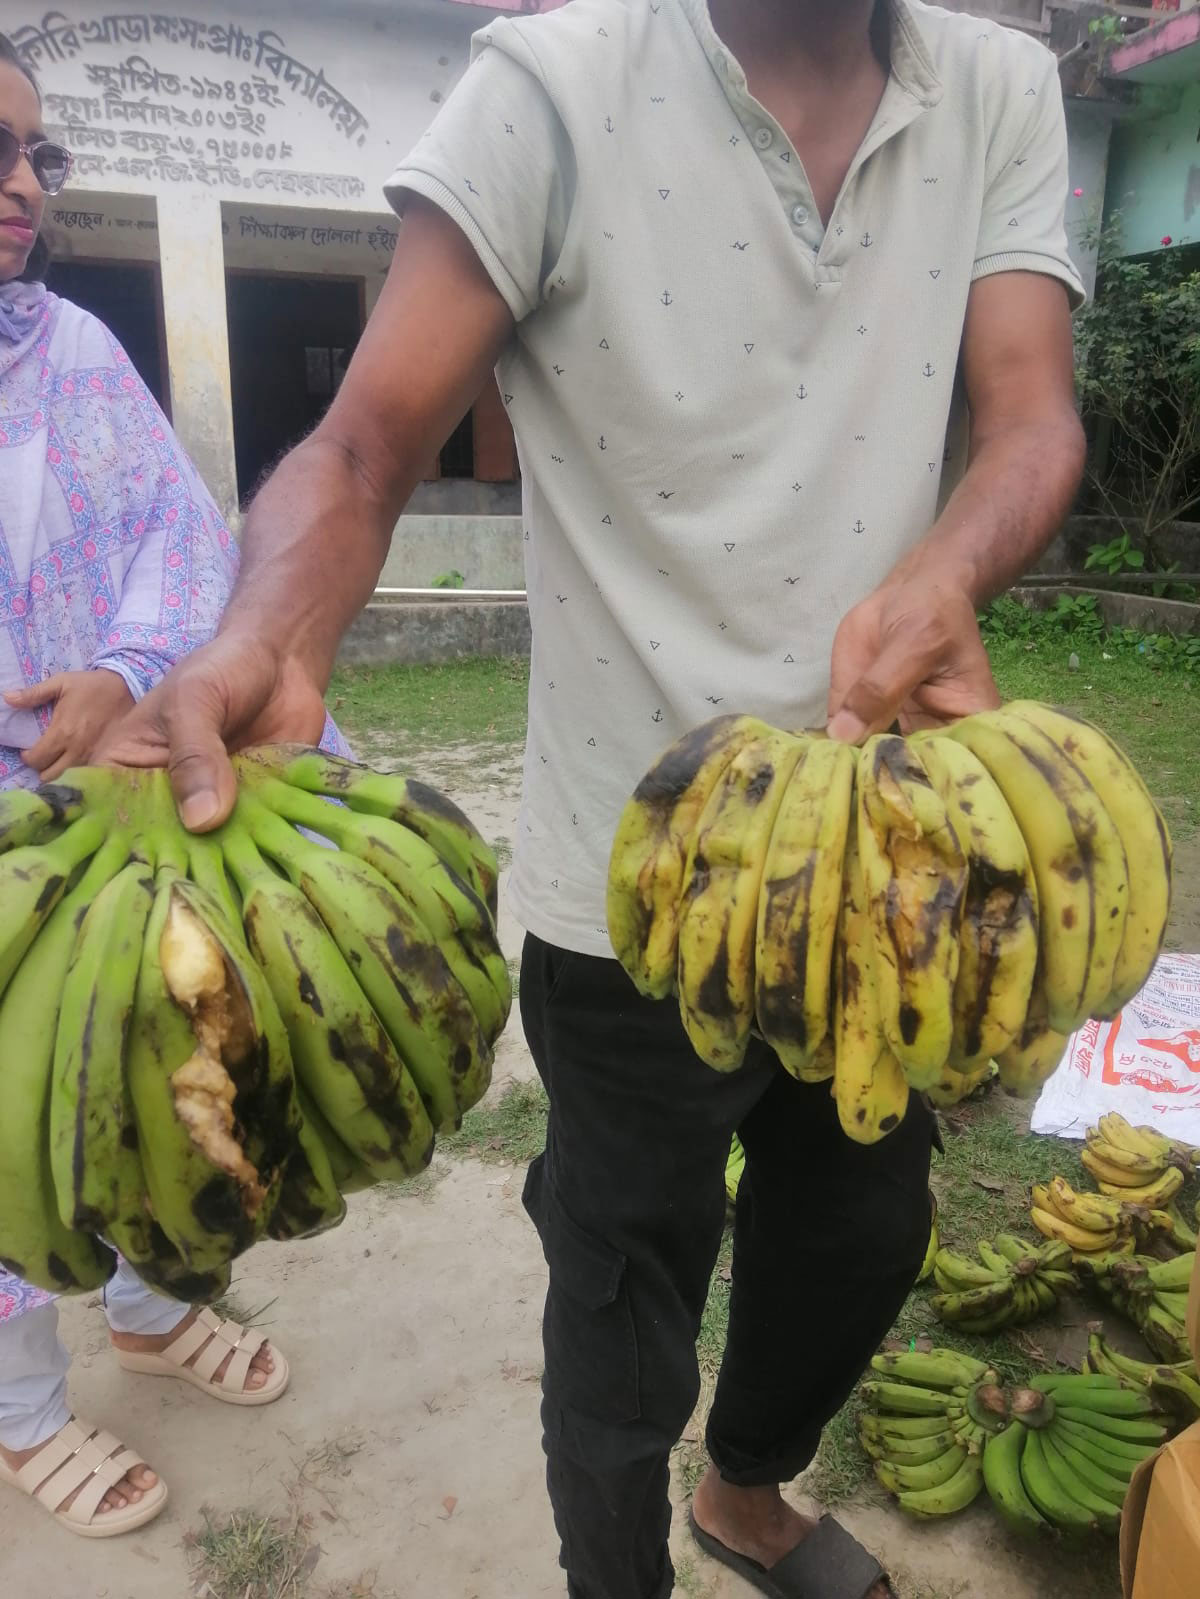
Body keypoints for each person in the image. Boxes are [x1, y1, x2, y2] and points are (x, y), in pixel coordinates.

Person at [102, 3, 1087, 1595]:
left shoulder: (1001, 89)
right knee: (622, 1294)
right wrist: (266, 636)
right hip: (627, 872)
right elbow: (364, 443)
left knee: (857, 1238)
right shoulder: (548, 89)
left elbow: (1030, 413)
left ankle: (749, 1492)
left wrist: (954, 563)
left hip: (886, 856)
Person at [0, 34, 318, 1540]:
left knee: (146, 1071)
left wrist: (125, 671)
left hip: (103, 804)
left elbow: (177, 533)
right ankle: (18, 1412)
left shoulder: (67, 349)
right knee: (2, 1126)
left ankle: (145, 1302)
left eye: (34, 156)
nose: (22, 187)